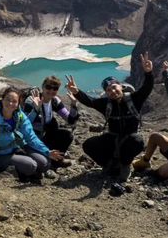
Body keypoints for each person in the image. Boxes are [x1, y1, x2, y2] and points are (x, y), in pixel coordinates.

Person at [66, 52, 155, 183]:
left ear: (121, 86)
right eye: (108, 90)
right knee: (88, 144)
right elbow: (90, 101)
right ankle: (109, 164)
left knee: (137, 141)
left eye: (114, 87)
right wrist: (77, 92)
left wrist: (148, 73)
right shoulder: (105, 104)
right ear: (106, 93)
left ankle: (125, 165)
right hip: (112, 138)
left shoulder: (134, 99)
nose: (112, 91)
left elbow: (147, 88)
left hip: (129, 139)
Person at [0, 86, 63, 182]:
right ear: (2, 100)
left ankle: (23, 170)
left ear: (18, 103)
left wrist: (47, 151)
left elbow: (31, 137)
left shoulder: (19, 116)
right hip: (1, 153)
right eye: (8, 100)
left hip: (18, 148)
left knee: (44, 163)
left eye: (14, 101)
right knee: (31, 166)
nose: (10, 103)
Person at [23, 75, 79, 168]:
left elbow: (70, 120)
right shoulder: (32, 100)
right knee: (42, 163)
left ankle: (57, 161)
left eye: (55, 88)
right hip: (34, 138)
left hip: (46, 135)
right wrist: (36, 109)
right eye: (48, 87)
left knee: (67, 136)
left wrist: (73, 104)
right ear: (43, 87)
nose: (51, 91)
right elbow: (24, 124)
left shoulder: (54, 100)